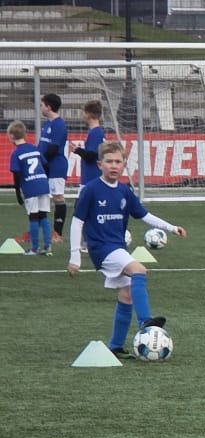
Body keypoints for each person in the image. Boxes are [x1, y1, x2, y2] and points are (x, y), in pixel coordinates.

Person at [66, 141, 184, 354]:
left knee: (127, 294)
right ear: (100, 164)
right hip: (101, 248)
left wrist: (171, 227)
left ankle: (116, 346)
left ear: (124, 165)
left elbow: (144, 215)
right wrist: (75, 256)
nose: (113, 165)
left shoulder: (124, 191)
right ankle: (146, 321)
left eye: (118, 162)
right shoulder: (91, 190)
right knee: (139, 269)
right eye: (109, 161)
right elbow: (77, 222)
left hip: (118, 247)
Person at [10, 121, 53, 255]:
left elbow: (16, 175)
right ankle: (47, 247)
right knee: (43, 215)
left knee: (33, 217)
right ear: (25, 134)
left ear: (11, 136)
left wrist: (18, 193)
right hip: (43, 184)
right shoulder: (35, 149)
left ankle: (34, 249)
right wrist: (43, 178)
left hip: (31, 186)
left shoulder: (16, 154)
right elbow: (46, 165)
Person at [39, 94, 67, 247]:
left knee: (58, 198)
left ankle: (58, 233)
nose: (41, 107)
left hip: (55, 166)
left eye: (42, 105)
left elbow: (54, 148)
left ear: (49, 106)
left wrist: (41, 160)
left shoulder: (58, 125)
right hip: (45, 165)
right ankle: (38, 231)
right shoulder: (47, 124)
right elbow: (43, 145)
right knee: (41, 197)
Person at [76, 100, 105, 190]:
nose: (83, 116)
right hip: (90, 178)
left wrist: (78, 150)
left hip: (91, 177)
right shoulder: (95, 131)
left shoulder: (95, 133)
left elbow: (91, 156)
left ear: (88, 114)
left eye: (84, 113)